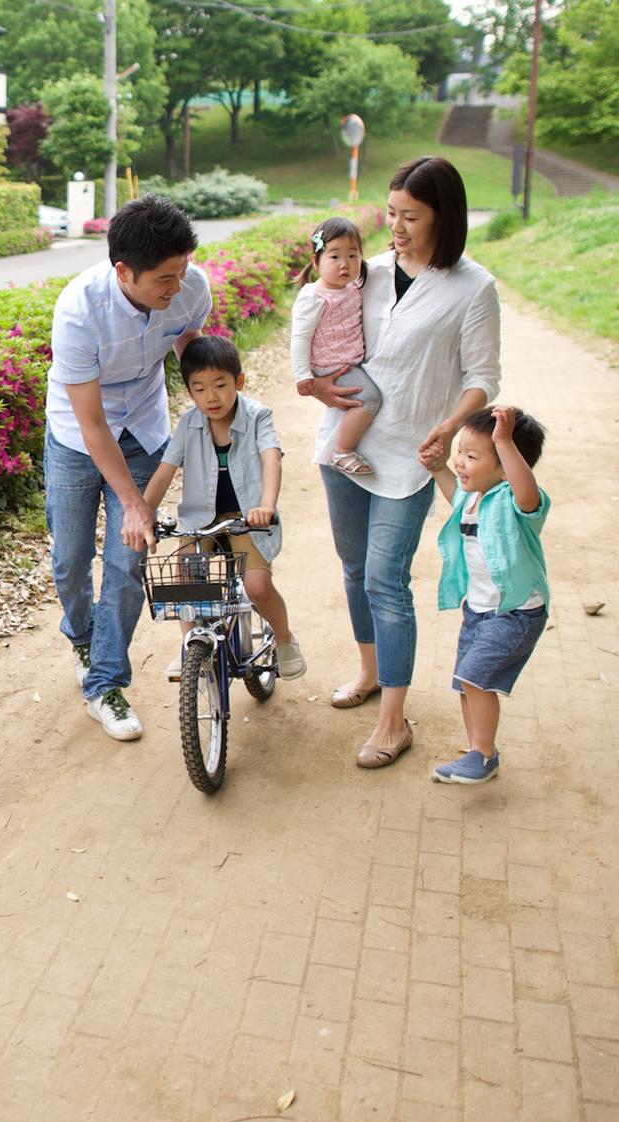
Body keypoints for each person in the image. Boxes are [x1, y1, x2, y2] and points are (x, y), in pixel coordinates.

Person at [311, 155, 501, 769]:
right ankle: (370, 673)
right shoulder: (362, 273)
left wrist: (449, 427)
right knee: (351, 566)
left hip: (410, 455)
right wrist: (312, 384)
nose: (394, 226)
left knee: (384, 579)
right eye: (390, 212)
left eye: (409, 216)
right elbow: (316, 327)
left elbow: (482, 377)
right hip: (342, 443)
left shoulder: (474, 287)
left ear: (443, 216)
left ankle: (394, 722)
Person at [44, 195, 212, 741]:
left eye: (181, 273)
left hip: (143, 428)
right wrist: (137, 503)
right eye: (164, 279)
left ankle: (105, 684)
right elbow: (92, 425)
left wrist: (212, 391)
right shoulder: (79, 310)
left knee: (128, 558)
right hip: (77, 434)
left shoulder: (190, 287)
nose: (176, 287)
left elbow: (188, 341)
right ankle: (82, 635)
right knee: (70, 559)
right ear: (123, 271)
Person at [142, 336, 306, 681]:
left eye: (220, 385)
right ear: (189, 391)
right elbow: (165, 470)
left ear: (239, 382)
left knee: (257, 585)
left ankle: (286, 639)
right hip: (201, 518)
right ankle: (190, 646)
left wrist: (266, 505)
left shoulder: (258, 415)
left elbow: (271, 457)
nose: (210, 397)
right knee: (184, 575)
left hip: (247, 518)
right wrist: (143, 513)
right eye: (199, 389)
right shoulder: (189, 424)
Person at [421, 405, 548, 783]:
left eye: (472, 456)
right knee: (465, 682)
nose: (460, 461)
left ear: (507, 465)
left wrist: (505, 440)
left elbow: (526, 490)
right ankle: (478, 751)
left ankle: (483, 753)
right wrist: (437, 468)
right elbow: (454, 497)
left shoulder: (517, 500)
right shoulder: (471, 495)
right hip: (477, 610)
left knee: (476, 679)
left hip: (516, 612)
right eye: (460, 450)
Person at [291, 217, 382, 476]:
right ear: (316, 261)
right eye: (334, 257)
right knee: (370, 398)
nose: (345, 264)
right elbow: (300, 337)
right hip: (331, 366)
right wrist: (303, 375)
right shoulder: (314, 297)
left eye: (353, 255)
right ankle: (342, 450)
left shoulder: (352, 287)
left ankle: (343, 446)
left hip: (347, 360)